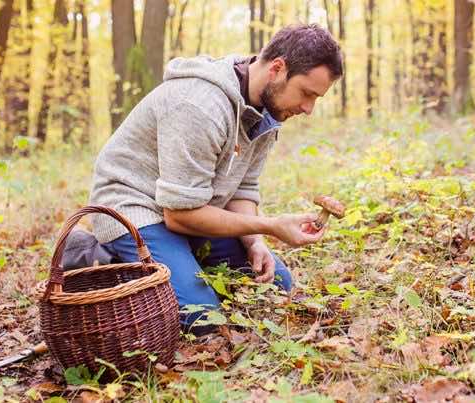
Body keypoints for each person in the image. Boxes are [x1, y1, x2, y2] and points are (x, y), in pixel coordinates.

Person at [87, 24, 343, 333]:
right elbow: (180, 215)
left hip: (192, 208)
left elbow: (243, 186)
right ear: (278, 68)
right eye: (306, 93)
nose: (308, 108)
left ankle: (179, 259)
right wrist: (271, 225)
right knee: (202, 318)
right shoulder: (198, 106)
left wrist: (255, 242)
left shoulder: (270, 109)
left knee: (277, 284)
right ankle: (106, 260)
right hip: (134, 208)